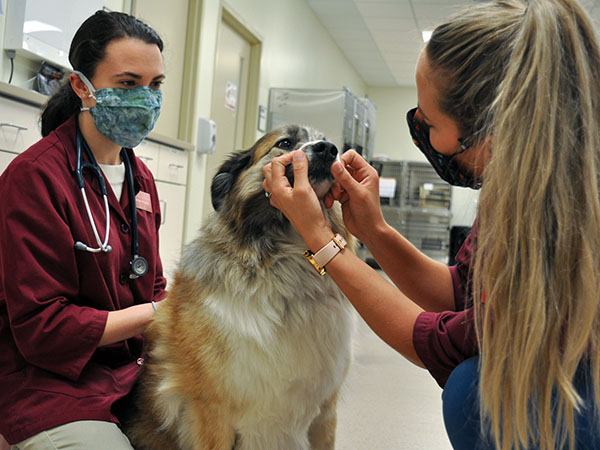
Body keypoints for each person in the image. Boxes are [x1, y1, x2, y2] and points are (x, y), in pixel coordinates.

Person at [263, 0, 600, 449]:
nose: (419, 128)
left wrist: (321, 239)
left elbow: (447, 343)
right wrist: (375, 231)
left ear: (493, 131)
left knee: (471, 392)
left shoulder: (565, 215)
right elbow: (463, 291)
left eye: (430, 121)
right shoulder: (518, 184)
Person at [0, 11, 167, 449]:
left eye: (155, 86)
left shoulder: (140, 178)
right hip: (49, 383)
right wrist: (155, 314)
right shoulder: (35, 177)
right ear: (81, 86)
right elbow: (43, 328)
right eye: (129, 84)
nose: (146, 100)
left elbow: (154, 285)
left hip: (130, 373)